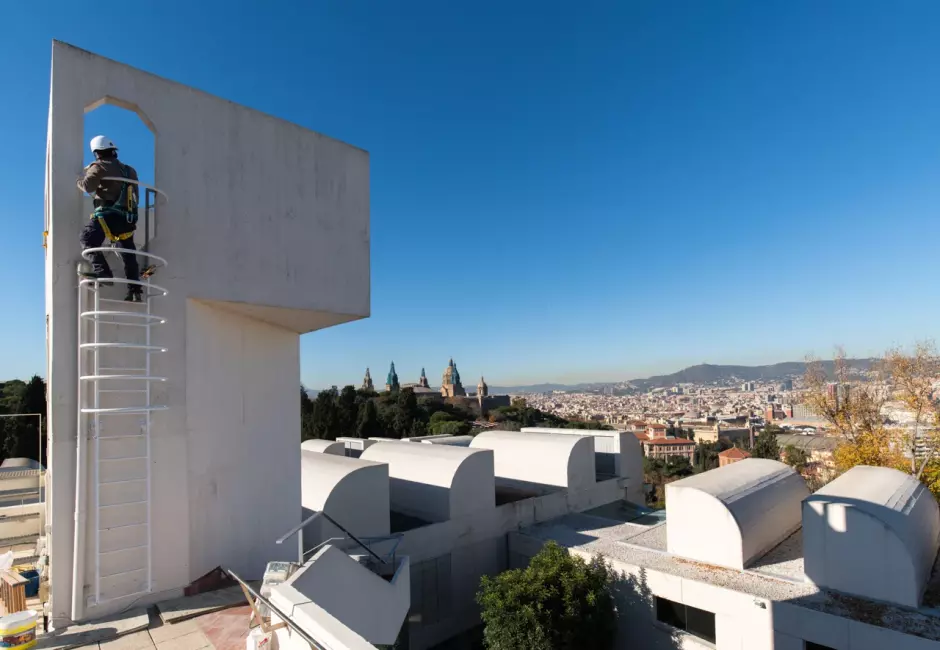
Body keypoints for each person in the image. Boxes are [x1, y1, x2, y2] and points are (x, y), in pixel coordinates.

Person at [77, 135, 142, 301]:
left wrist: (80, 179)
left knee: (88, 239)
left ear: (97, 153)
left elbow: (88, 186)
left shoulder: (98, 166)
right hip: (127, 218)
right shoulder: (130, 170)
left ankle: (103, 274)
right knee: (128, 253)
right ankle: (135, 290)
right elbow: (136, 196)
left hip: (107, 215)